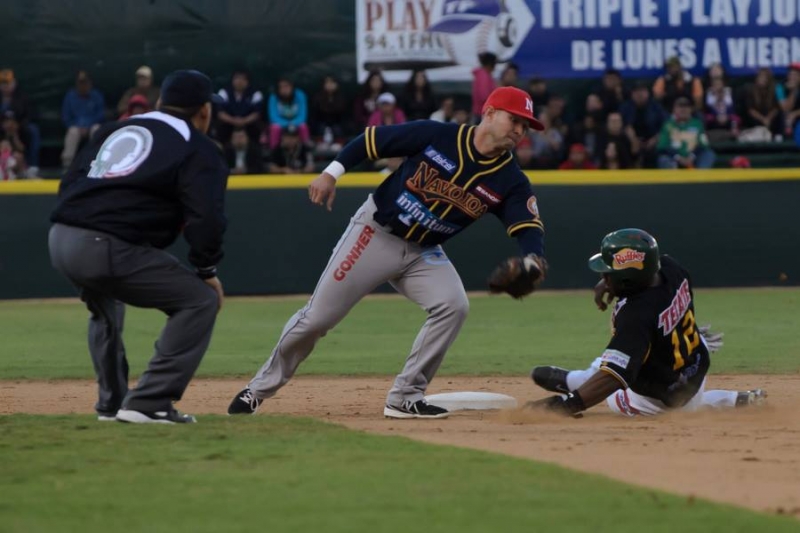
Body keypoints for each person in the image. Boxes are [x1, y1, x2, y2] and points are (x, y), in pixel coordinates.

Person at [228, 86, 548, 419]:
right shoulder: (438, 135)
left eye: (526, 127)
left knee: (453, 305)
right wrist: (330, 173)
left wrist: (532, 259)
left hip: (424, 252)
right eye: (516, 120)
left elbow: (527, 226)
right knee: (317, 319)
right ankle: (258, 389)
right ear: (490, 112)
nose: (520, 131)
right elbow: (371, 141)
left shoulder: (510, 180)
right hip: (376, 234)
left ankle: (405, 396)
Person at [48, 70, 228, 424]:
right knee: (200, 301)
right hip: (105, 244)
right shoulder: (198, 146)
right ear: (204, 111)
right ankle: (149, 401)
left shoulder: (113, 128)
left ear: (160, 102)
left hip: (61, 237)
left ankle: (112, 405)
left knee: (104, 309)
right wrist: (206, 270)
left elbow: (69, 182)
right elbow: (206, 218)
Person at [528, 228, 766, 418]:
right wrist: (614, 284)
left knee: (613, 370)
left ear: (627, 279)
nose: (603, 277)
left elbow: (614, 377)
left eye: (608, 274)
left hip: (660, 399)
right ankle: (736, 400)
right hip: (695, 360)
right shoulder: (673, 269)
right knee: (624, 354)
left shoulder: (636, 315)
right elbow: (652, 291)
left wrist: (567, 405)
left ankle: (573, 383)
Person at [61, 70, 106, 168]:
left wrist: (87, 126)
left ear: (90, 83)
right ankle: (66, 164)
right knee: (72, 131)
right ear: (77, 84)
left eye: (85, 82)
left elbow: (101, 115)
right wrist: (79, 126)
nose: (83, 85)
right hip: (76, 127)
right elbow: (66, 116)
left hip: (92, 126)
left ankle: (97, 162)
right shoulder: (70, 96)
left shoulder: (96, 96)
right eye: (81, 83)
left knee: (96, 129)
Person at [657, 97, 715, 169]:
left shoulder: (697, 124)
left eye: (686, 107)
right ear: (674, 109)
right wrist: (678, 158)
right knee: (663, 159)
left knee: (708, 154)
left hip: (694, 159)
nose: (683, 109)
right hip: (674, 159)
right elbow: (662, 146)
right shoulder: (668, 125)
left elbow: (703, 144)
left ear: (691, 109)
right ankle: (673, 179)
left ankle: (700, 179)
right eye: (680, 107)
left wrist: (691, 157)